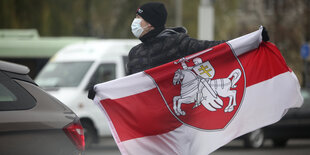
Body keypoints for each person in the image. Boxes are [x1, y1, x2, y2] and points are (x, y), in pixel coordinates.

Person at [88, 2, 269, 100]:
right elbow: (126, 88)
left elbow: (215, 49)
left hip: (174, 120)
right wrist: (101, 91)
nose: (135, 22)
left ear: (150, 23)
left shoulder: (177, 43)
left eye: (138, 18)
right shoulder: (135, 53)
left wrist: (254, 40)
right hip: (146, 123)